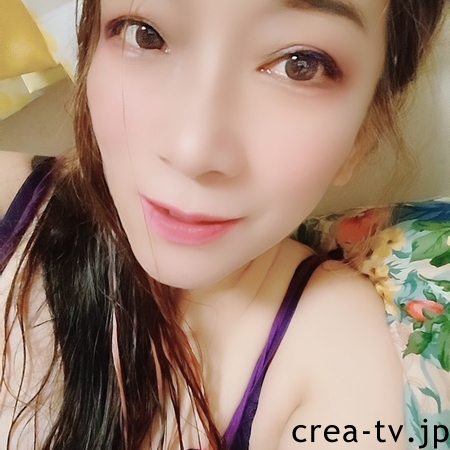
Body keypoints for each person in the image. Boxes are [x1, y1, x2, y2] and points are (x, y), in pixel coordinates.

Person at [0, 0, 446, 449]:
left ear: (364, 130)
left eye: (300, 65)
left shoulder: (337, 353)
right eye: (145, 34)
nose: (193, 151)